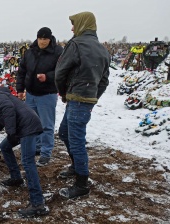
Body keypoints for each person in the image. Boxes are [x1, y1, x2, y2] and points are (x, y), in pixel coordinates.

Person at [55, 11, 111, 199]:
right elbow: (104, 81)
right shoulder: (102, 49)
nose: (72, 28)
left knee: (77, 140)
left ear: (82, 24)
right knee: (64, 133)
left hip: (77, 98)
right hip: (83, 100)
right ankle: (75, 166)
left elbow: (60, 73)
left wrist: (63, 93)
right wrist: (93, 97)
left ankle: (81, 184)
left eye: (74, 24)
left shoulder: (76, 44)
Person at [0, 87, 48, 217]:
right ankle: (16, 178)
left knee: (27, 161)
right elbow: (0, 123)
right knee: (5, 146)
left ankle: (38, 204)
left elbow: (8, 109)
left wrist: (11, 132)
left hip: (27, 127)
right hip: (24, 125)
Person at [16, 27, 63, 167]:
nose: (42, 42)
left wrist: (47, 77)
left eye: (45, 39)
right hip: (31, 94)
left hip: (47, 94)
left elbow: (62, 71)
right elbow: (22, 71)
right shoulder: (30, 52)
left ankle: (46, 153)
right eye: (40, 38)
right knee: (32, 123)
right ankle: (36, 147)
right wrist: (20, 89)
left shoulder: (58, 52)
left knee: (47, 125)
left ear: (50, 39)